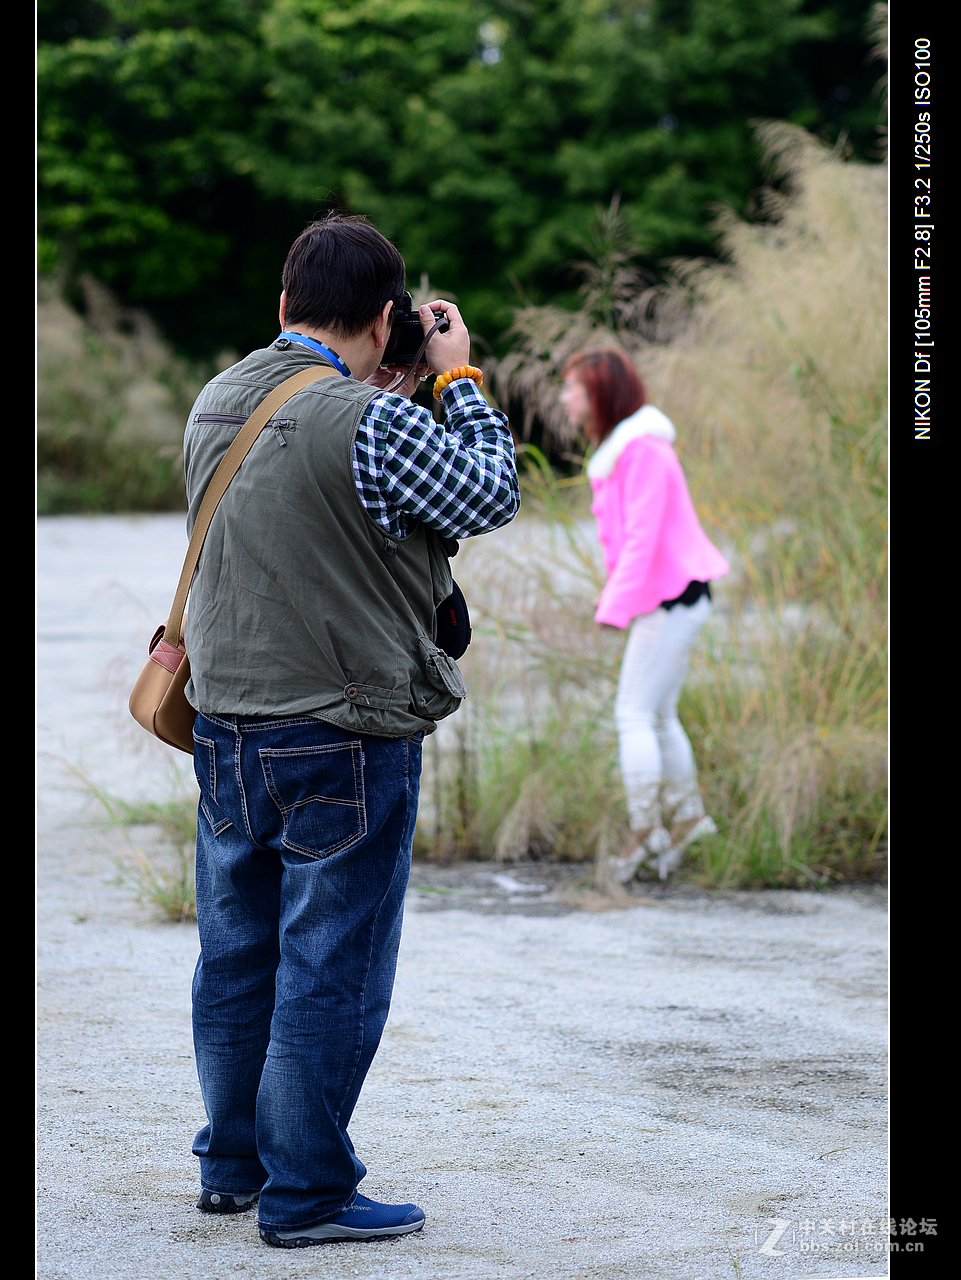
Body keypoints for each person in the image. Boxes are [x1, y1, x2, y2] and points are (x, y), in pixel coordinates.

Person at [180, 213, 520, 1247]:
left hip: (225, 722)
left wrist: (398, 384)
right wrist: (457, 378)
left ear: (284, 304)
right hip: (343, 730)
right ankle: (309, 1193)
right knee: (331, 960)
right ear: (384, 318)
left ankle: (234, 1165)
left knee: (237, 954)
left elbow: (311, 512)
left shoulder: (216, 398)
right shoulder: (370, 421)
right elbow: (489, 492)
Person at [559, 348, 728, 883]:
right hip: (671, 599)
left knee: (632, 713)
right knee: (658, 714)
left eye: (572, 388)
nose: (564, 398)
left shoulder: (644, 449)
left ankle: (645, 831)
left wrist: (614, 606)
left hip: (672, 598)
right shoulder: (626, 449)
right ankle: (689, 821)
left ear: (600, 395)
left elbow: (642, 538)